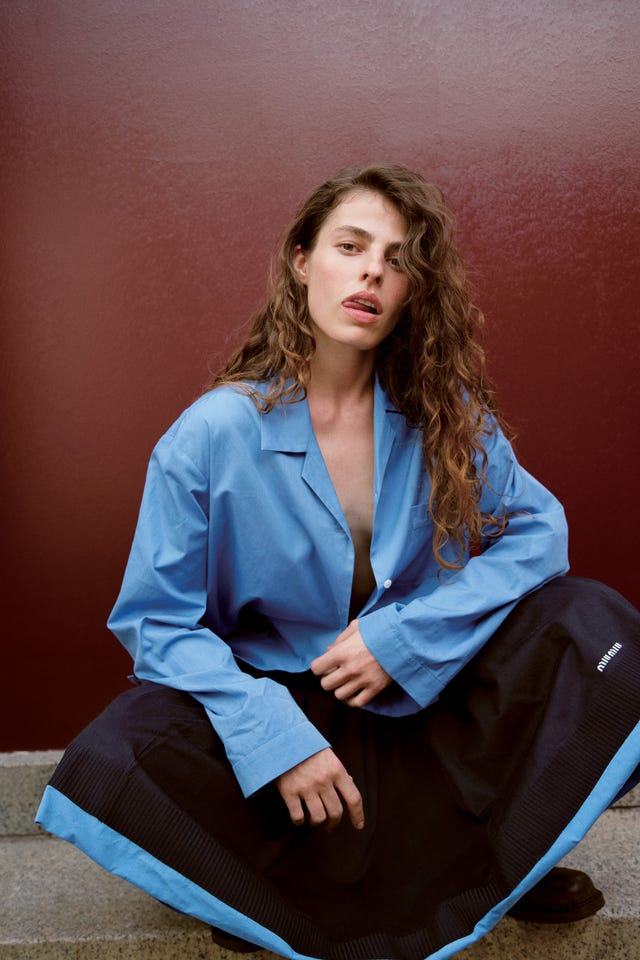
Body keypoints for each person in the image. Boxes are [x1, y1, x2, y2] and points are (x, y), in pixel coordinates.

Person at [37, 163, 640, 960]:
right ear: (300, 260)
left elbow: (541, 534)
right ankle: (262, 884)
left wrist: (409, 638)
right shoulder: (213, 432)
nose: (372, 273)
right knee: (120, 749)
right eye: (351, 246)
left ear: (415, 289)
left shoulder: (446, 414)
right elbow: (156, 621)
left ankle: (514, 858)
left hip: (431, 702)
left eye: (398, 260)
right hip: (292, 711)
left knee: (595, 627)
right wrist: (266, 732)